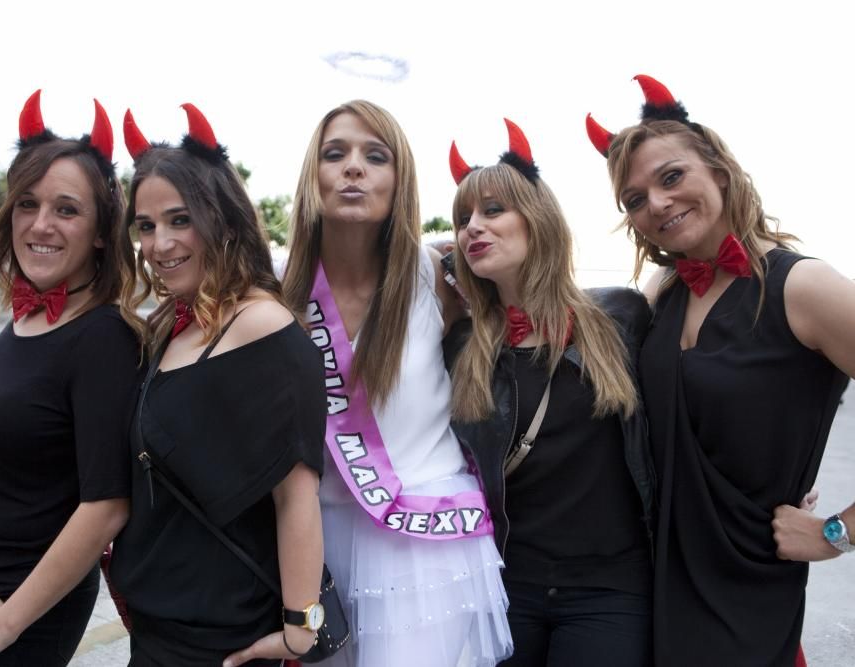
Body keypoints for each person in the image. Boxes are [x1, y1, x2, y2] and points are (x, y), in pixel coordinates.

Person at [588, 74, 855, 666]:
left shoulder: (802, 286)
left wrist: (838, 533)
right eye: (634, 199)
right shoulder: (663, 292)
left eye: (671, 176)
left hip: (746, 602)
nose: (656, 203)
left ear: (720, 171)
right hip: (649, 589)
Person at [281, 100, 512, 666]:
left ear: (399, 178)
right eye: (334, 154)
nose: (353, 167)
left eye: (374, 156)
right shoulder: (279, 288)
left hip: (423, 537)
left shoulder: (437, 275)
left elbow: (527, 294)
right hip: (315, 539)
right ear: (314, 177)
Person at [0, 90, 140, 666]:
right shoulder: (31, 316)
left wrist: (5, 626)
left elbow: (106, 506)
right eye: (27, 204)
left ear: (99, 231)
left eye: (67, 209)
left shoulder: (102, 337)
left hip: (9, 602)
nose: (40, 224)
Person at [108, 103, 327, 667]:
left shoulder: (261, 324)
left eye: (181, 220)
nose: (160, 244)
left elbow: (296, 493)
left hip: (222, 638)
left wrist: (301, 628)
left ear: (223, 219)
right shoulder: (169, 325)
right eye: (147, 226)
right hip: (155, 628)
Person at [443, 119, 655, 666]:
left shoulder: (620, 317)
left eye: (493, 210)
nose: (473, 228)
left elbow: (701, 398)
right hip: (506, 586)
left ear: (536, 220)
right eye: (463, 218)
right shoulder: (461, 345)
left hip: (611, 590)